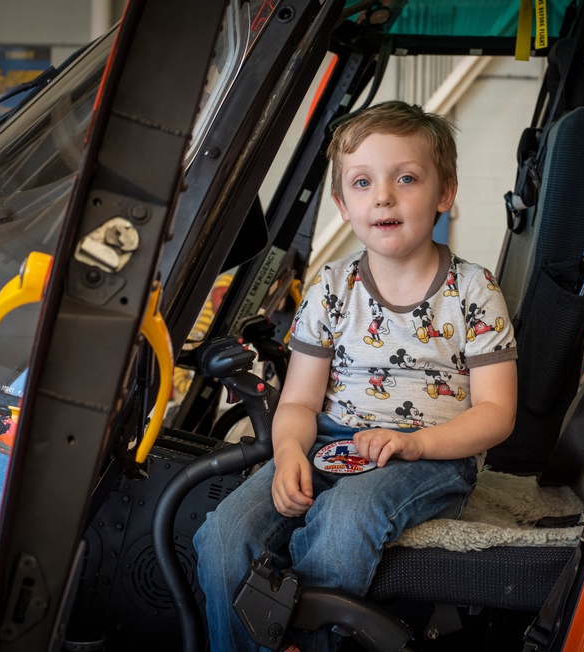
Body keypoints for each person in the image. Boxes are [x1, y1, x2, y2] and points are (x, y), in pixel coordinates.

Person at [194, 100, 517, 651]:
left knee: (346, 521)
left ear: (445, 193)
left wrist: (417, 446)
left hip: (430, 456)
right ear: (343, 204)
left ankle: (305, 640)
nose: (384, 196)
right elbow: (298, 401)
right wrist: (291, 452)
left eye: (406, 178)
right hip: (327, 442)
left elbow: (496, 413)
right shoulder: (330, 288)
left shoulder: (474, 291)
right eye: (363, 183)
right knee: (223, 536)